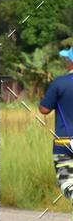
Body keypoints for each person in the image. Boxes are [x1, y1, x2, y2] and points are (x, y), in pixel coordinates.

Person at [39, 47, 73, 210]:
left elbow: (44, 109)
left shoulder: (59, 82)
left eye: (67, 58)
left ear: (70, 61)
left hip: (63, 142)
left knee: (66, 181)